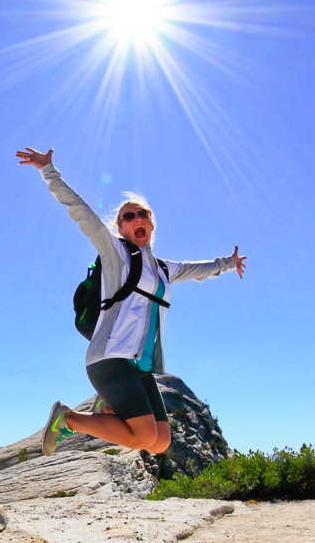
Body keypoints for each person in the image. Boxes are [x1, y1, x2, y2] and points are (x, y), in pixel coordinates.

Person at [16, 147, 246, 457]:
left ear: (151, 224)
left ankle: (107, 404)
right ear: (120, 228)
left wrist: (229, 262)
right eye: (128, 216)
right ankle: (67, 418)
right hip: (109, 358)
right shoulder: (116, 254)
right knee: (142, 435)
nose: (137, 218)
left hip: (138, 365)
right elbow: (81, 211)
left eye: (143, 214)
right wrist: (49, 172)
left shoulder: (164, 269)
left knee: (160, 441)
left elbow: (199, 270)